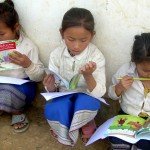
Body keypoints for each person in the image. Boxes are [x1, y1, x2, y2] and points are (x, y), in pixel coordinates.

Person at [43, 7, 106, 146]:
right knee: (55, 107)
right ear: (62, 33)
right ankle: (65, 126)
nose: (76, 46)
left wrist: (88, 76)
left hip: (86, 97)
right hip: (63, 96)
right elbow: (54, 88)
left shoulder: (96, 56)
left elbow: (100, 92)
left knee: (83, 104)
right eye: (70, 39)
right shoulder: (56, 54)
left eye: (83, 40)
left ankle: (84, 122)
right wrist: (50, 86)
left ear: (92, 35)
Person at [0, 0, 44, 133]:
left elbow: (39, 76)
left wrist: (28, 64)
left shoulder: (28, 46)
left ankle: (17, 112)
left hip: (21, 87)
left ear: (16, 27)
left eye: (1, 34)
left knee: (7, 95)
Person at [108, 33, 150, 150]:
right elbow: (111, 95)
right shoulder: (126, 71)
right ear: (135, 62)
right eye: (146, 70)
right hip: (127, 116)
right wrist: (119, 88)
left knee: (146, 143)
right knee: (116, 138)